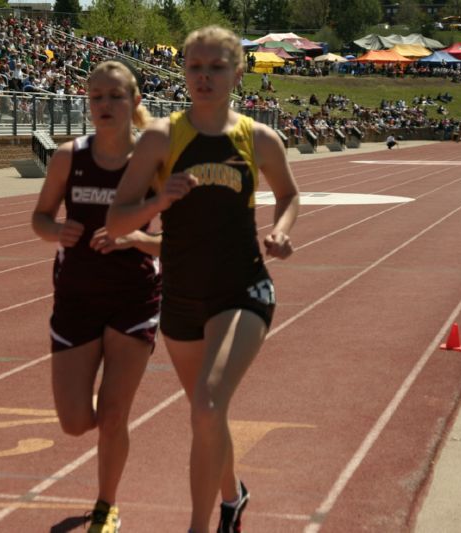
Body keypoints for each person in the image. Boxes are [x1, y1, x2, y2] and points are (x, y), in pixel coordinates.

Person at [106, 26, 300, 533]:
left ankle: (201, 526)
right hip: (182, 296)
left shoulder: (258, 138)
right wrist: (159, 201)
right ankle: (234, 496)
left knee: (209, 405)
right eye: (195, 67)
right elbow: (117, 221)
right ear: (184, 71)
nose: (205, 77)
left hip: (244, 290)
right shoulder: (161, 138)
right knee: (207, 413)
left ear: (238, 73)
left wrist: (279, 231)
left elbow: (289, 195)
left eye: (216, 67)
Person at [31, 60, 162, 533]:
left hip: (134, 298)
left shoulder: (153, 162)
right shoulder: (69, 156)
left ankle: (107, 505)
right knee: (73, 421)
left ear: (135, 103)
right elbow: (40, 217)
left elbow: (185, 239)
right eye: (96, 97)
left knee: (113, 414)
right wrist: (57, 230)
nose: (105, 105)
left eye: (115, 96)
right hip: (76, 299)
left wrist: (135, 240)